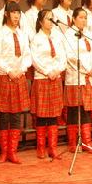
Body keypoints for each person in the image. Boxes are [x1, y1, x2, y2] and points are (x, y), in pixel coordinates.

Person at [0, 2, 31, 164]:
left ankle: (12, 152)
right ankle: (3, 152)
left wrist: (21, 69)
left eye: (18, 13)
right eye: (13, 13)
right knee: (4, 115)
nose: (16, 16)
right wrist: (9, 70)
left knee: (16, 115)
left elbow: (27, 55)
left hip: (19, 75)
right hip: (4, 75)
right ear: (6, 14)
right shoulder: (0, 33)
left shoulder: (22, 34)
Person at [63, 7, 92, 153]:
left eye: (85, 17)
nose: (84, 20)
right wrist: (85, 69)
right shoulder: (68, 34)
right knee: (74, 110)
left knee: (86, 110)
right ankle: (73, 143)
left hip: (89, 77)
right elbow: (71, 57)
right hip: (76, 77)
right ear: (73, 19)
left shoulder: (89, 34)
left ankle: (86, 142)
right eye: (81, 17)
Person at [30, 9, 66, 159]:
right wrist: (47, 71)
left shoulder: (57, 37)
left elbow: (63, 57)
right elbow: (34, 59)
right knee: (42, 115)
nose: (51, 21)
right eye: (47, 18)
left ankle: (52, 148)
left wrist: (57, 70)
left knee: (54, 115)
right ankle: (41, 147)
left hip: (55, 77)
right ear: (40, 22)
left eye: (52, 18)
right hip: (42, 78)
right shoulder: (36, 39)